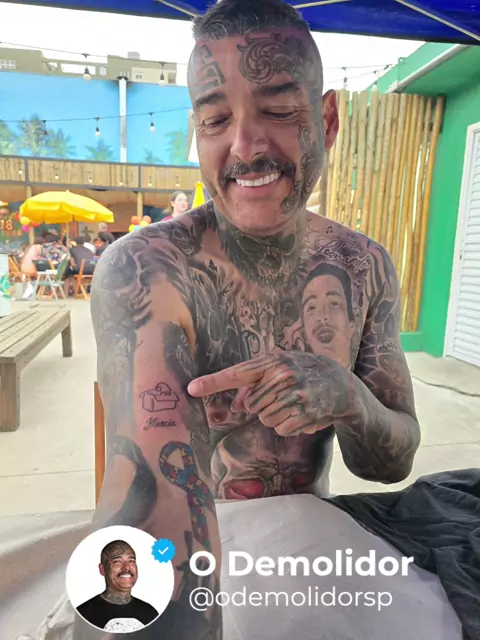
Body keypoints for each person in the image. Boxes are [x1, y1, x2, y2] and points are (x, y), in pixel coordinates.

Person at [89, 0, 421, 636]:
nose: (246, 146)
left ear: (327, 119)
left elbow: (392, 463)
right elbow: (152, 502)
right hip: (200, 549)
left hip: (318, 550)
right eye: (216, 120)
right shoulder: (151, 270)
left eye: (279, 109)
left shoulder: (363, 267)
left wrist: (347, 396)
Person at [76, 540, 159, 632]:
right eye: (117, 561)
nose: (126, 567)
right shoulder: (82, 615)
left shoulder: (150, 613)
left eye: (131, 561)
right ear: (102, 569)